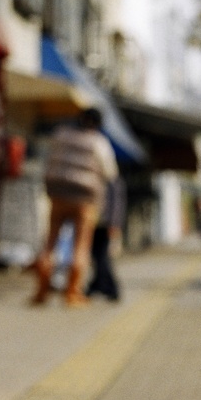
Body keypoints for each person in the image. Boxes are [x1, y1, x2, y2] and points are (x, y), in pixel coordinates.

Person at [32, 108, 118, 306]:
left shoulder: (60, 135)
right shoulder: (98, 142)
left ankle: (41, 292)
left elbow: (49, 160)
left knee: (49, 244)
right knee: (81, 247)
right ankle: (72, 293)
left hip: (57, 195)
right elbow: (110, 173)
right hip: (85, 199)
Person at [85, 175, 125, 301]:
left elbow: (117, 204)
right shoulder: (97, 178)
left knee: (101, 256)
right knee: (96, 256)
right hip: (94, 222)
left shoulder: (113, 180)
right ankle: (98, 285)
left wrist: (114, 224)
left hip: (105, 223)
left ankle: (110, 287)